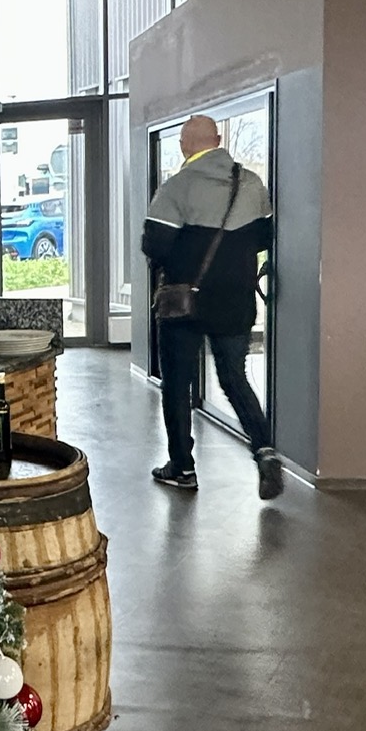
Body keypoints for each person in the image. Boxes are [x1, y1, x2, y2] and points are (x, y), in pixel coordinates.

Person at [142, 114, 282, 498]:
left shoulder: (176, 187)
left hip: (184, 302)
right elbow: (264, 237)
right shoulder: (251, 184)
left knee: (177, 384)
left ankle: (182, 467)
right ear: (218, 140)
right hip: (236, 300)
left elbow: (154, 245)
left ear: (185, 145)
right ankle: (264, 449)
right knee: (234, 378)